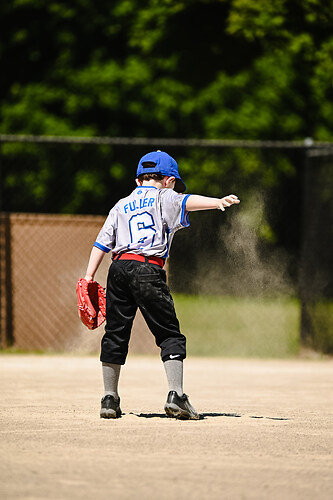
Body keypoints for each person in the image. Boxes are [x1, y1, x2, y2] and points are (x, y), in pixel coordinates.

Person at [83, 150, 240, 420]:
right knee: (169, 335)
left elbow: (101, 243)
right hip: (148, 269)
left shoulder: (121, 204)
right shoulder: (164, 195)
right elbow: (187, 201)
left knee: (116, 334)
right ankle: (176, 395)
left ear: (138, 180)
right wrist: (217, 202)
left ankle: (109, 398)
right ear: (168, 180)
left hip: (118, 269)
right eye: (174, 184)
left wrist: (88, 277)